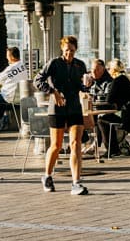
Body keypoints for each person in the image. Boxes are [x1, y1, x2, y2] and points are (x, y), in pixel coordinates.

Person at [34, 35, 90, 195]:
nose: (69, 54)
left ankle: (76, 182)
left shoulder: (80, 65)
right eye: (66, 51)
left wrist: (88, 85)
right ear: (62, 49)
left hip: (74, 107)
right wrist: (53, 92)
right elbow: (38, 80)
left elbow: (81, 86)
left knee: (75, 144)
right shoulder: (54, 63)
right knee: (56, 145)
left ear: (76, 50)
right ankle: (47, 175)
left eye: (72, 51)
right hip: (57, 108)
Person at [100, 59, 130, 157]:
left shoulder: (117, 81)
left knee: (101, 120)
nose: (108, 71)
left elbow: (109, 100)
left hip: (126, 118)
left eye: (109, 69)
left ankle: (112, 149)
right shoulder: (128, 80)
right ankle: (115, 147)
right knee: (106, 118)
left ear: (113, 70)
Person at [0, 47, 27, 130]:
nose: (7, 58)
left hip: (7, 96)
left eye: (8, 56)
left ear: (12, 57)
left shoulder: (11, 68)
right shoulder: (23, 66)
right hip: (20, 97)